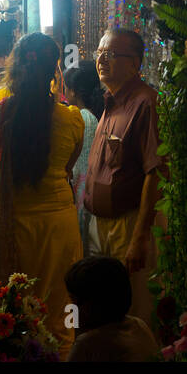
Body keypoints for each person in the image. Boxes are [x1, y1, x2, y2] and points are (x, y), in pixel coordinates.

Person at [0, 32, 84, 354]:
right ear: (55, 70)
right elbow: (67, 167)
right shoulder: (71, 118)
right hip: (59, 228)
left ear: (13, 68)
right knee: (61, 315)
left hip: (13, 225)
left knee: (12, 314)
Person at [84, 28, 162, 327]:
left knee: (134, 312)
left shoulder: (145, 102)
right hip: (99, 225)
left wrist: (140, 237)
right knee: (105, 314)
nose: (102, 59)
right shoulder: (111, 102)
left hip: (129, 225)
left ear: (135, 64)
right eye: (100, 53)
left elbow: (154, 173)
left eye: (112, 54)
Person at [64, 256, 159, 362]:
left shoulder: (87, 344)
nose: (71, 309)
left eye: (73, 301)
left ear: (89, 306)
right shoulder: (140, 325)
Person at [61, 60, 102, 255]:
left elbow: (81, 171)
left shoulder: (83, 118)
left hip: (83, 201)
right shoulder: (92, 115)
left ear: (74, 91)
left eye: (66, 88)